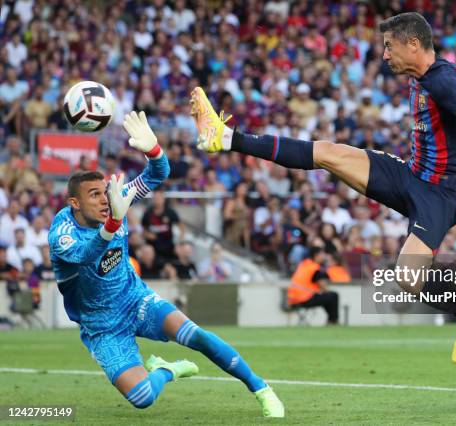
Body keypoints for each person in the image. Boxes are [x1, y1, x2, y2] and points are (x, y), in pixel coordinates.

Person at [191, 12, 456, 364]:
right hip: (410, 175)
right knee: (327, 152)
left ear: (413, 44)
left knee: (407, 276)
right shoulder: (432, 73)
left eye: (390, 46)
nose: (385, 55)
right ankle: (226, 137)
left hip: (443, 193)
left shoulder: (443, 80)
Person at [48, 111, 283, 416]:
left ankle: (261, 389)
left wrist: (153, 150)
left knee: (197, 336)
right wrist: (115, 221)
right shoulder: (62, 234)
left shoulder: (118, 197)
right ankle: (168, 369)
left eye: (104, 191)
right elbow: (86, 255)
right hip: (101, 326)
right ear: (74, 204)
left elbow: (158, 173)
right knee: (143, 397)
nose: (105, 199)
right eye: (94, 195)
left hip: (135, 300)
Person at [287, 247, 339, 324]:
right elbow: (323, 286)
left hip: (292, 299)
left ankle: (331, 320)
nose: (324, 256)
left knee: (327, 298)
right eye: (322, 253)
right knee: (333, 296)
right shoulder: (315, 267)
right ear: (316, 255)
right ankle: (333, 321)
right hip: (305, 298)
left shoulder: (304, 264)